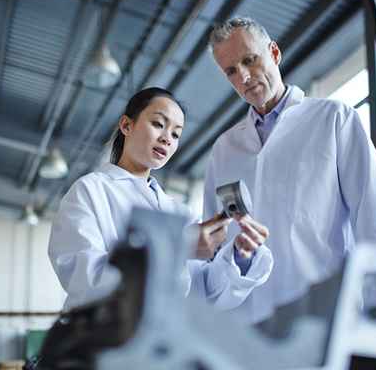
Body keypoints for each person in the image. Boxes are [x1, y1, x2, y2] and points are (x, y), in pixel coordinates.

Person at [204, 17, 376, 323]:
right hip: (246, 327)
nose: (243, 76)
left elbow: (374, 224)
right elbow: (213, 247)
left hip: (321, 318)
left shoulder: (335, 120)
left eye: (250, 60)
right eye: (231, 71)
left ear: (274, 53)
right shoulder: (224, 149)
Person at [48, 87, 273, 311]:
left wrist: (240, 256)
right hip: (104, 338)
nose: (167, 138)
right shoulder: (91, 190)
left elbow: (201, 291)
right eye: (158, 124)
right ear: (126, 125)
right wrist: (178, 247)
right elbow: (86, 280)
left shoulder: (179, 212)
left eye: (176, 134)